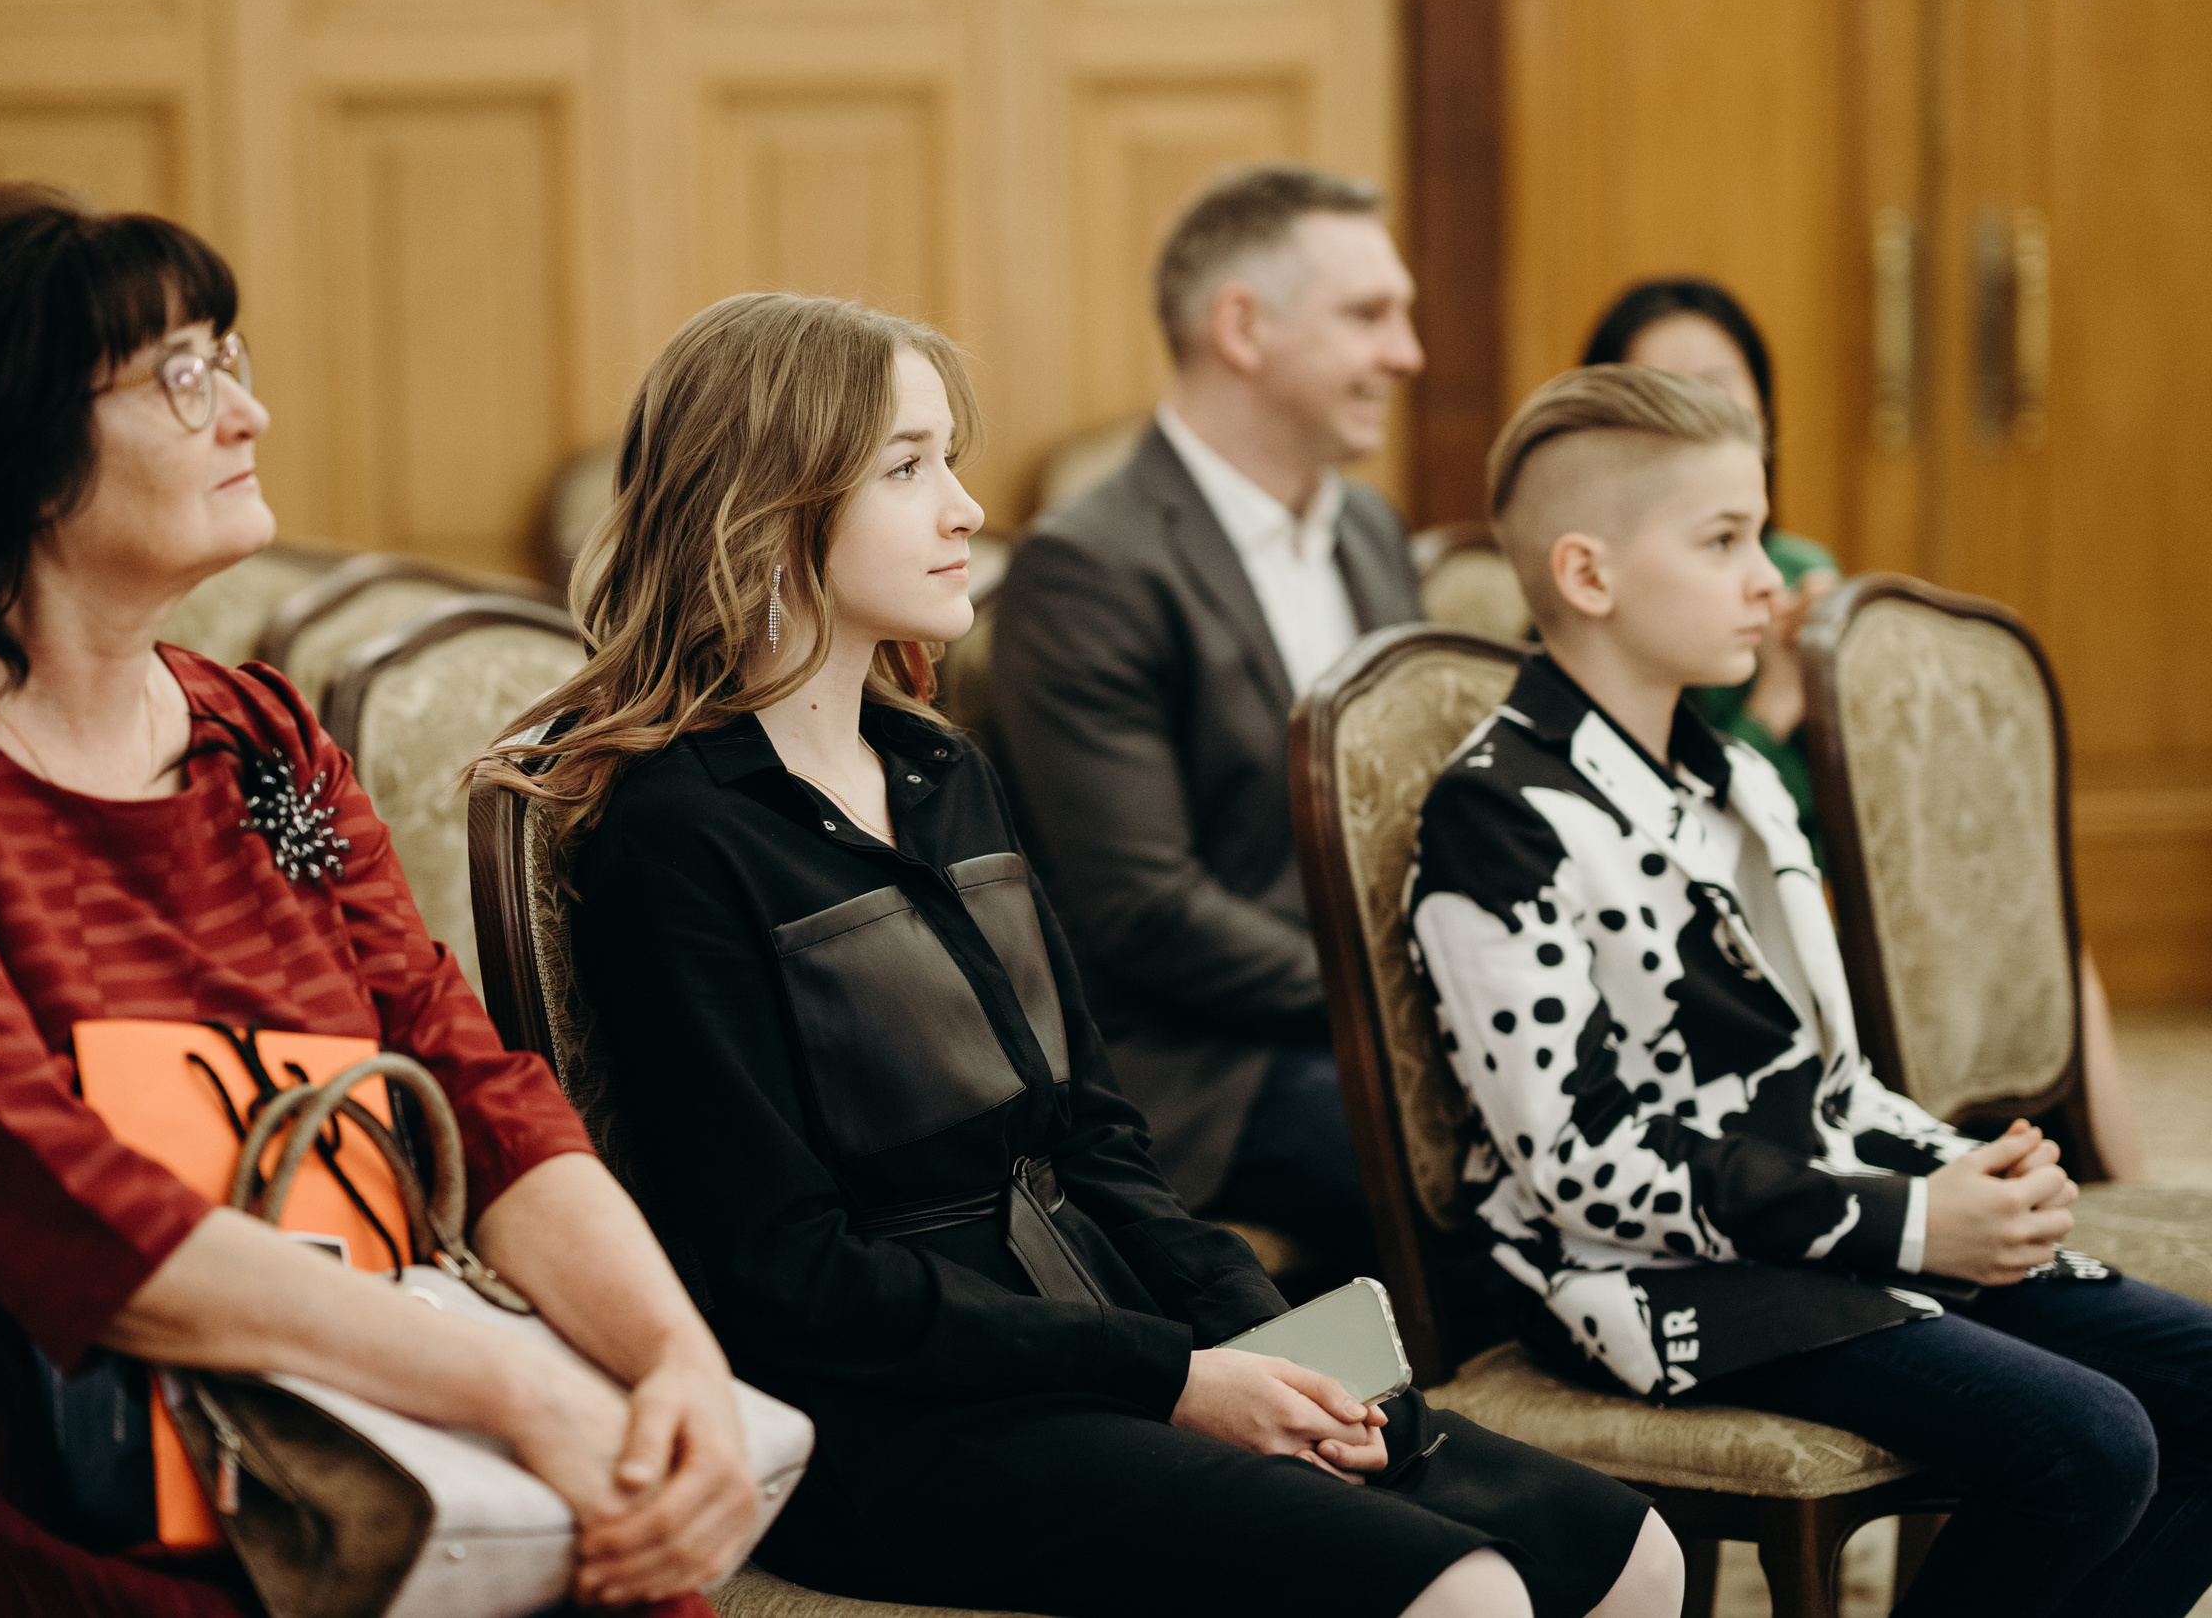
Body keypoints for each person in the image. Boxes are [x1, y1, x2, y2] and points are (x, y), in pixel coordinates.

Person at [482, 291, 1685, 1618]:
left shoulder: (942, 770)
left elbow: (1102, 1134)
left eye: (949, 457)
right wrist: (1172, 1375)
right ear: (768, 506)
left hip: (1097, 1335)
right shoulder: (681, 835)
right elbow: (792, 1275)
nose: (965, 508)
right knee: (1463, 1590)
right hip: (895, 1421)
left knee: (1633, 1552)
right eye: (907, 466)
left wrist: (1269, 1342)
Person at [0, 184, 757, 1617]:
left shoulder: (261, 729)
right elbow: (50, 1193)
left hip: (315, 1394)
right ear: (9, 440)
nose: (245, 414)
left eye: (230, 359)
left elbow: (466, 1078)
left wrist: (673, 1355)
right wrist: (510, 1383)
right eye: (182, 376)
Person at [1408, 363, 2212, 1618]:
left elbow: (1823, 1083)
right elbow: (1577, 1162)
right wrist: (1903, 1222)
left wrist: (1961, 1177)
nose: (1770, 580)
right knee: (2089, 1446)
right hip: (1643, 1278)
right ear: (1587, 574)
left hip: (1819, 1226)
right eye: (1723, 539)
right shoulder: (1495, 814)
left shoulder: (1740, 780)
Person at [1581, 277, 2151, 1177]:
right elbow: (1673, 859)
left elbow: (1879, 809)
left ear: (1765, 411)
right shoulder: (1607, 603)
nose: (1700, 415)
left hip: (1836, 901)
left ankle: (2125, 1190)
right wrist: (1772, 695)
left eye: (1720, 385)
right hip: (1725, 942)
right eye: (1663, 393)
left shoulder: (1801, 572)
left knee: (2026, 909)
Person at [988, 163, 1427, 1286]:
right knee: (1478, 1152)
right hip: (1208, 1069)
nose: (1406, 353)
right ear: (1243, 327)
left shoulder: (1369, 529)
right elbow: (1146, 911)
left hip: (1380, 1024)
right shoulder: (1090, 565)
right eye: (1368, 316)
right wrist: (1400, 996)